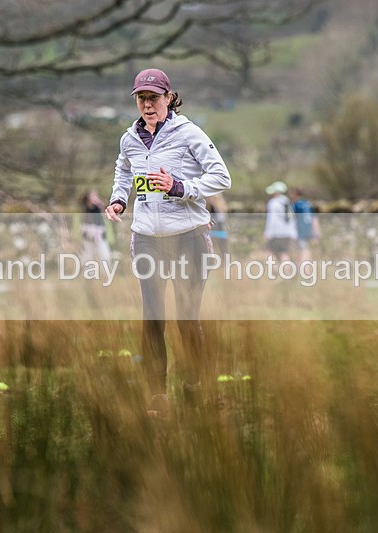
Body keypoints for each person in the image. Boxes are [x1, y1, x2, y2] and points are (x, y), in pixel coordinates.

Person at [104, 68, 231, 415]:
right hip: (147, 238)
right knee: (153, 318)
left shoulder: (188, 133)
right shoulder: (129, 138)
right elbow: (123, 169)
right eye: (141, 99)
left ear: (168, 98)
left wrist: (180, 187)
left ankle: (194, 386)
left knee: (186, 318)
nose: (147, 105)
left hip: (189, 236)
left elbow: (221, 177)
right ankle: (157, 395)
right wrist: (119, 199)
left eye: (153, 98)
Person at [264, 181, 297, 272]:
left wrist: (267, 233)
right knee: (284, 253)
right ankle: (287, 275)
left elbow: (271, 219)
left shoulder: (273, 203)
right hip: (287, 233)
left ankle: (275, 272)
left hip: (276, 233)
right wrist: (293, 233)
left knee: (268, 252)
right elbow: (292, 219)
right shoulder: (287, 202)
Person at [80, 189, 112, 263]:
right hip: (88, 232)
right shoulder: (86, 207)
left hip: (99, 233)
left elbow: (106, 208)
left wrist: (100, 203)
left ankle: (105, 272)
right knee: (88, 256)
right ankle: (88, 272)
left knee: (105, 255)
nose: (95, 198)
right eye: (93, 196)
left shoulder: (99, 207)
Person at [289, 188, 320, 263]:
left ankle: (304, 270)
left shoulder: (295, 205)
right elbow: (314, 218)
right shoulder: (307, 204)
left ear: (296, 194)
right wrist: (316, 231)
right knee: (306, 249)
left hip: (300, 230)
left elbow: (291, 219)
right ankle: (306, 269)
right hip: (309, 230)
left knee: (302, 250)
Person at [206, 194, 229, 258]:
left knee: (222, 247)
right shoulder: (209, 208)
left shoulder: (219, 207)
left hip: (219, 229)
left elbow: (219, 220)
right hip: (213, 230)